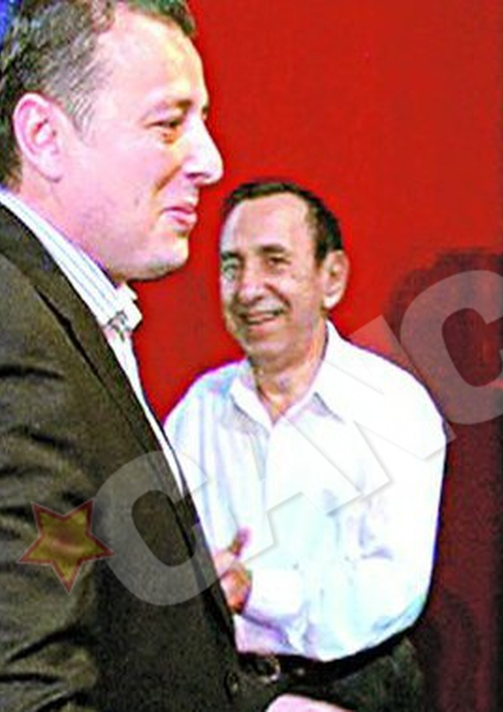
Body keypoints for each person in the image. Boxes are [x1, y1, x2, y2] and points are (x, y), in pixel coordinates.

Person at [0, 2, 331, 710]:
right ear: (44, 137)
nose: (210, 161)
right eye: (168, 124)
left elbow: (68, 582)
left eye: (202, 121)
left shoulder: (34, 315)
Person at [165, 180, 447, 711]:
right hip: (220, 680)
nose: (248, 289)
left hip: (348, 681)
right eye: (232, 267)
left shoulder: (392, 408)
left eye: (274, 262)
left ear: (331, 278)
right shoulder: (200, 409)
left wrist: (255, 590)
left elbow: (392, 588)